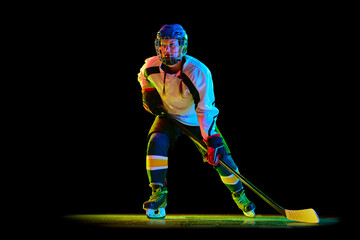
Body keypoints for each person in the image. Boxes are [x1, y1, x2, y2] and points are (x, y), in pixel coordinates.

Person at [137, 24, 255, 219]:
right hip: (169, 117)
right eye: (165, 45)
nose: (169, 49)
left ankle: (240, 195)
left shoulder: (198, 71)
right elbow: (142, 76)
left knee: (221, 158)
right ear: (158, 46)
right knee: (156, 141)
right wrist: (147, 92)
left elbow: (205, 108)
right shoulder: (150, 66)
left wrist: (211, 140)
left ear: (182, 46)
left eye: (173, 45)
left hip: (196, 119)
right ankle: (158, 194)